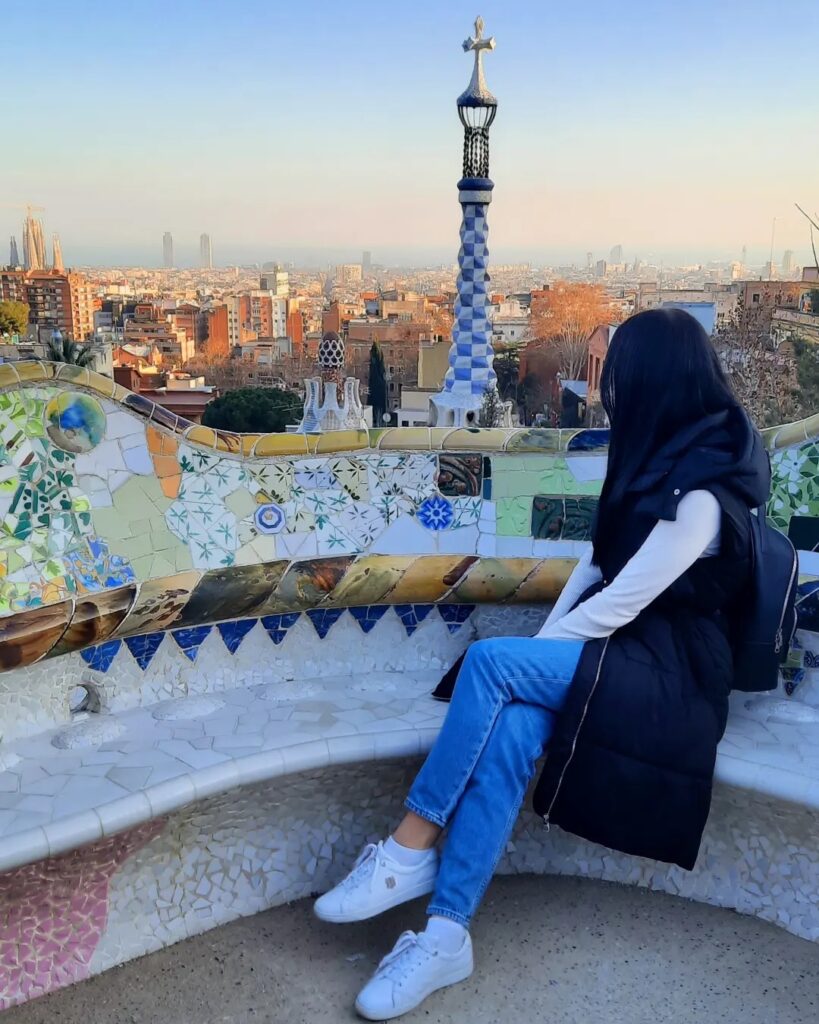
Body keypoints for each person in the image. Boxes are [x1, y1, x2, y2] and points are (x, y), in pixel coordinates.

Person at [314, 308, 771, 1021]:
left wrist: (531, 657)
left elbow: (621, 599)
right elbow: (593, 569)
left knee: (493, 667)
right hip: (619, 654)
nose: (608, 392)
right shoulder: (659, 465)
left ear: (652, 383)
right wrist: (543, 652)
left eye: (618, 378)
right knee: (514, 727)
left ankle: (407, 850)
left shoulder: (704, 496)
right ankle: (444, 936)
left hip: (671, 679)